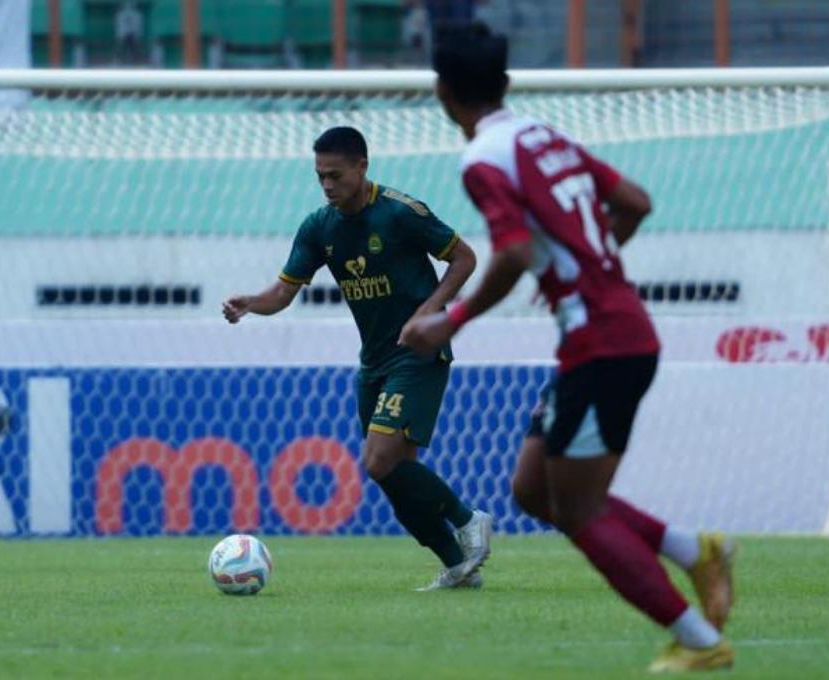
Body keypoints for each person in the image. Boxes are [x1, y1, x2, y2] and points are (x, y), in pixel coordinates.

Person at [401, 24, 737, 671]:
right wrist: (586, 265)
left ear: (443, 92)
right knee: (533, 489)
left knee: (579, 513)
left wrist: (451, 320)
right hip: (609, 334)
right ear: (503, 82)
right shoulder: (542, 136)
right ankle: (699, 552)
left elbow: (515, 252)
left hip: (605, 345)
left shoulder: (482, 160)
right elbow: (635, 203)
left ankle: (700, 639)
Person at [223, 126, 493, 591]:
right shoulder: (319, 227)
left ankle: (469, 520)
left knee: (377, 458)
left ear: (361, 167)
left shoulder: (401, 213)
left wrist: (431, 311)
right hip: (373, 364)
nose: (327, 185)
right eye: (320, 176)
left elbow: (465, 258)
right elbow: (284, 292)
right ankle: (457, 565)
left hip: (418, 352)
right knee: (392, 473)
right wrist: (252, 303)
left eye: (335, 175)